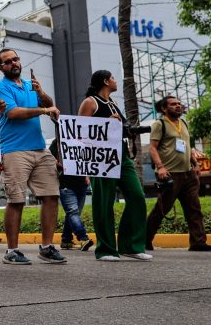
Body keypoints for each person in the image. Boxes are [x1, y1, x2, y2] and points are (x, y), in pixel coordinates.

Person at [0, 48, 66, 265]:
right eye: (8, 62)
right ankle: (12, 250)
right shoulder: (0, 87)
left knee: (51, 196)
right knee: (16, 200)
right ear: (1, 67)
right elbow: (14, 113)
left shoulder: (29, 84)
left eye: (16, 59)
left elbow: (48, 102)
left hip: (39, 148)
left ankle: (46, 247)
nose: (13, 63)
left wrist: (42, 94)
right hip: (14, 149)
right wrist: (45, 111)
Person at [78, 70, 151, 261]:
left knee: (136, 196)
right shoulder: (90, 102)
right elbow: (80, 133)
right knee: (104, 202)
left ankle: (131, 246)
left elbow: (120, 129)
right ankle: (106, 249)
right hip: (100, 158)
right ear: (105, 81)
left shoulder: (113, 103)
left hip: (121, 155)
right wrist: (104, 123)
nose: (115, 81)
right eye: (113, 78)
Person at [146, 95, 211, 252]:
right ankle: (144, 240)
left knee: (194, 209)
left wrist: (195, 164)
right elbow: (153, 147)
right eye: (173, 104)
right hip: (169, 174)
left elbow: (186, 146)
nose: (178, 106)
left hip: (188, 174)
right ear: (164, 108)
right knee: (162, 209)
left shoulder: (183, 123)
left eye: (179, 104)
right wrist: (160, 167)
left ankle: (198, 242)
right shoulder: (159, 124)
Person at [48, 140, 93, 251]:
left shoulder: (83, 141)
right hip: (66, 185)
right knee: (73, 212)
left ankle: (66, 240)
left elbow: (87, 160)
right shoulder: (57, 142)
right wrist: (57, 163)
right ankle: (83, 238)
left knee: (73, 213)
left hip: (81, 184)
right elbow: (48, 159)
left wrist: (87, 176)